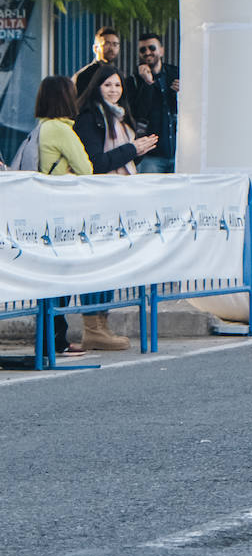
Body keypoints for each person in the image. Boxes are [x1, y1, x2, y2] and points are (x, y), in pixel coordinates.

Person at [73, 65, 158, 350]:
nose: (114, 90)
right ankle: (92, 326)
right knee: (97, 264)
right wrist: (133, 149)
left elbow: (124, 162)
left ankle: (102, 324)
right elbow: (96, 164)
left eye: (118, 85)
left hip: (117, 204)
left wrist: (137, 151)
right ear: (96, 87)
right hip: (97, 203)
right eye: (108, 85)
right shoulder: (89, 118)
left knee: (110, 264)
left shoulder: (119, 117)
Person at [31, 78, 96, 356]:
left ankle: (52, 337)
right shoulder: (61, 129)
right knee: (62, 277)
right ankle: (56, 339)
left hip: (43, 210)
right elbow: (87, 168)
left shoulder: (41, 128)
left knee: (49, 277)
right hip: (62, 214)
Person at [130, 31, 179, 173]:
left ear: (161, 51)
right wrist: (147, 83)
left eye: (152, 48)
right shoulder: (133, 81)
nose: (147, 52)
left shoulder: (175, 73)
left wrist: (183, 93)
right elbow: (139, 113)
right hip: (150, 156)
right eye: (142, 50)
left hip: (178, 151)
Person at [73, 26, 121, 97]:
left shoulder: (119, 74)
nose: (111, 48)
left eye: (115, 44)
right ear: (95, 48)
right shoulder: (84, 75)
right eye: (106, 43)